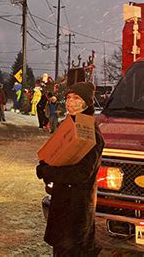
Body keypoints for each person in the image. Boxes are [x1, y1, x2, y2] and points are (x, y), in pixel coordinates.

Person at [36, 82, 104, 256]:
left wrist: (49, 172)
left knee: (73, 250)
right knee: (61, 249)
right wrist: (47, 164)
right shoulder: (70, 125)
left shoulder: (90, 131)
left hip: (77, 208)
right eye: (68, 98)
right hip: (64, 203)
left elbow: (82, 173)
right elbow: (62, 155)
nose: (70, 102)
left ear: (87, 103)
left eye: (76, 98)